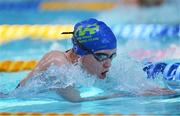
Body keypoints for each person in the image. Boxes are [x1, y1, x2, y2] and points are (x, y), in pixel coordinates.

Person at [1, 18, 175, 102]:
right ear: (79, 53)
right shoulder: (57, 63)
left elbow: (118, 81)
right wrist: (126, 94)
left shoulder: (93, 64)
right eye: (101, 56)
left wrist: (142, 88)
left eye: (112, 55)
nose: (108, 63)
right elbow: (76, 101)